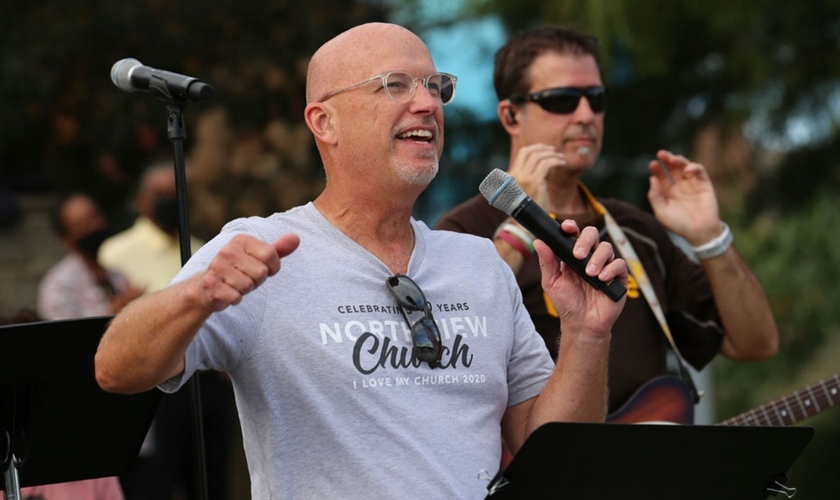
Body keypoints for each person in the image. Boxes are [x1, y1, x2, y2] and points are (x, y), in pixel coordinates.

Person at [94, 22, 628, 499]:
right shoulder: (257, 248)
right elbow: (114, 368)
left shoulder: (479, 264)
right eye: (396, 84)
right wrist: (194, 296)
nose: (427, 104)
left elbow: (552, 457)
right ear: (324, 121)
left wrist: (586, 335)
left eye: (435, 86)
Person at [435, 25, 779, 419]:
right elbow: (452, 350)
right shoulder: (464, 231)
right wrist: (518, 222)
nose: (586, 116)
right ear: (511, 115)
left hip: (646, 473)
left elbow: (755, 345)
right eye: (562, 100)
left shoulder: (634, 229)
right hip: (541, 471)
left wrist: (710, 237)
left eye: (596, 99)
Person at [99, 164, 234, 500]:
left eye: (176, 193)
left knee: (212, 481)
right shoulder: (115, 252)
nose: (169, 201)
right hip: (157, 387)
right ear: (142, 200)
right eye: (160, 194)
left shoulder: (205, 248)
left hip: (208, 382)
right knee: (157, 483)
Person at [37, 193, 143, 321]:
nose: (92, 227)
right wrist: (114, 315)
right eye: (80, 225)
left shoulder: (117, 273)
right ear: (65, 238)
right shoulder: (58, 285)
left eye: (94, 218)